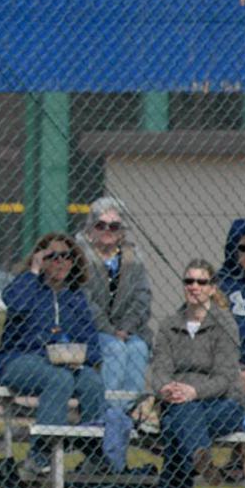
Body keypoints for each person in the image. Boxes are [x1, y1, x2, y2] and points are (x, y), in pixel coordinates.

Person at [0, 233, 106, 477]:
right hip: (19, 361)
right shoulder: (28, 287)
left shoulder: (75, 297)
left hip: (66, 365)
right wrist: (33, 272)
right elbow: (14, 303)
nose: (60, 262)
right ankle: (39, 457)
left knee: (92, 381)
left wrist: (77, 356)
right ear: (41, 260)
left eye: (66, 256)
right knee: (58, 379)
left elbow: (94, 348)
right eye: (52, 256)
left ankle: (93, 454)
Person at [150, 259, 245, 488]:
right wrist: (165, 388)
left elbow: (225, 378)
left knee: (177, 422)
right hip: (177, 400)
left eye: (201, 282)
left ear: (213, 288)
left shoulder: (224, 324)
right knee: (180, 414)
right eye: (189, 281)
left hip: (223, 405)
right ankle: (199, 458)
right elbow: (160, 369)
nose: (194, 286)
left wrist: (193, 391)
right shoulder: (169, 325)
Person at [75, 196, 152, 472]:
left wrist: (126, 328)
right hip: (92, 330)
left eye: (114, 226)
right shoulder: (79, 253)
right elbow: (83, 299)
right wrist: (110, 331)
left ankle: (124, 411)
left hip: (125, 329)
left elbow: (143, 296)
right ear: (90, 227)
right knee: (116, 349)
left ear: (123, 230)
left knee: (138, 348)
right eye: (101, 225)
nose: (107, 231)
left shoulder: (132, 256)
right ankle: (110, 415)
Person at [218, 219, 245, 480]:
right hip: (228, 365)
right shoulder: (220, 285)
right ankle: (239, 459)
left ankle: (239, 460)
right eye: (244, 248)